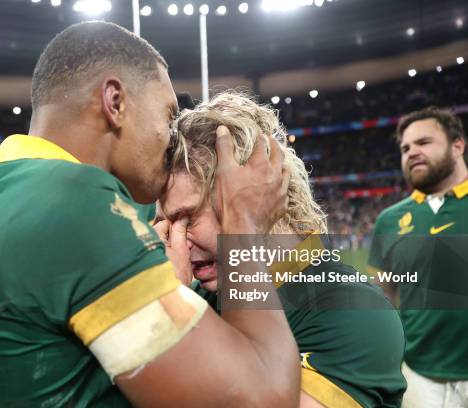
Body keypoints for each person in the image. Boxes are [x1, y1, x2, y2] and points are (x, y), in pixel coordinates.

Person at [0, 21, 300, 407]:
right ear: (115, 102)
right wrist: (244, 223)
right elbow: (264, 398)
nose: (173, 135)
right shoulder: (74, 203)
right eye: (168, 114)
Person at [157, 92, 407, 407]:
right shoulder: (206, 297)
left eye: (187, 219)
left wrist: (170, 316)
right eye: (167, 226)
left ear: (252, 198)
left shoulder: (355, 310)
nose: (175, 244)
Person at [368, 107, 468, 407]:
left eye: (424, 143)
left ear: (458, 145)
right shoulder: (389, 220)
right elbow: (382, 296)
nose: (412, 152)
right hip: (418, 378)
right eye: (405, 148)